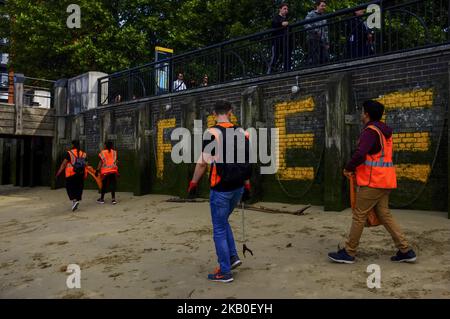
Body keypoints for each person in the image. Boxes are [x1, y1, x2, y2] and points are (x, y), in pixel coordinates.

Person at [328, 100, 417, 264]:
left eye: (362, 111)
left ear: (367, 114)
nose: (360, 114)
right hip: (385, 181)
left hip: (372, 182)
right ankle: (406, 250)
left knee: (359, 215)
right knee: (385, 215)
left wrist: (349, 167)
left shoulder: (370, 132)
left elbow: (360, 154)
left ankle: (349, 252)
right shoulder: (384, 132)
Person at [187, 100, 252, 283]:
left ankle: (224, 271)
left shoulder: (211, 133)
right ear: (230, 112)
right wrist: (247, 185)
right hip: (238, 187)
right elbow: (246, 162)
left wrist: (193, 183)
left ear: (214, 113)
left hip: (221, 189)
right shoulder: (242, 132)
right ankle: (232, 257)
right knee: (223, 222)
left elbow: (202, 163)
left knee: (219, 228)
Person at [56, 140, 87, 212]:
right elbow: (86, 164)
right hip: (80, 174)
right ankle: (75, 201)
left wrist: (58, 173)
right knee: (78, 188)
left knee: (70, 188)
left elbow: (63, 164)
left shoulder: (69, 153)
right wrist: (85, 174)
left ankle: (74, 200)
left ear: (73, 145)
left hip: (71, 174)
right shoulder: (84, 154)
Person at [305, 0, 329, 65]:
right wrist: (315, 31)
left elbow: (326, 30)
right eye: (322, 6)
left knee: (325, 58)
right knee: (315, 58)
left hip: (322, 40)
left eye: (324, 6)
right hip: (313, 38)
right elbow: (306, 25)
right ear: (317, 6)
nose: (324, 7)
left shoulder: (324, 17)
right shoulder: (311, 14)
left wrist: (327, 42)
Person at [267, 3, 290, 74]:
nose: (286, 10)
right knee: (275, 57)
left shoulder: (286, 19)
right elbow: (274, 24)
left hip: (285, 41)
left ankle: (287, 71)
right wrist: (281, 24)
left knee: (286, 57)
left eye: (287, 9)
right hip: (277, 41)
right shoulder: (276, 17)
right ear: (280, 9)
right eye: (284, 9)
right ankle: (269, 73)